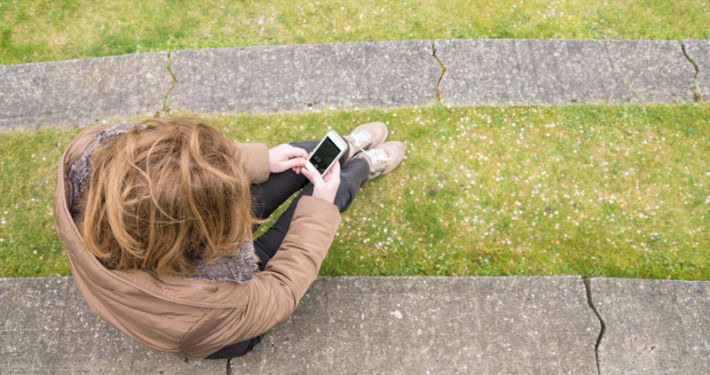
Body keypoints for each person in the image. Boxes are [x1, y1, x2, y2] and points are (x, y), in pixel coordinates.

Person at [53, 117, 405, 361]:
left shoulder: (90, 162)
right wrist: (320, 209)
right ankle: (359, 169)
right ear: (203, 231)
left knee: (301, 156)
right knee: (323, 198)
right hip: (221, 330)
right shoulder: (209, 304)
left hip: (168, 251)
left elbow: (172, 161)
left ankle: (345, 149)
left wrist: (256, 159)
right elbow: (281, 291)